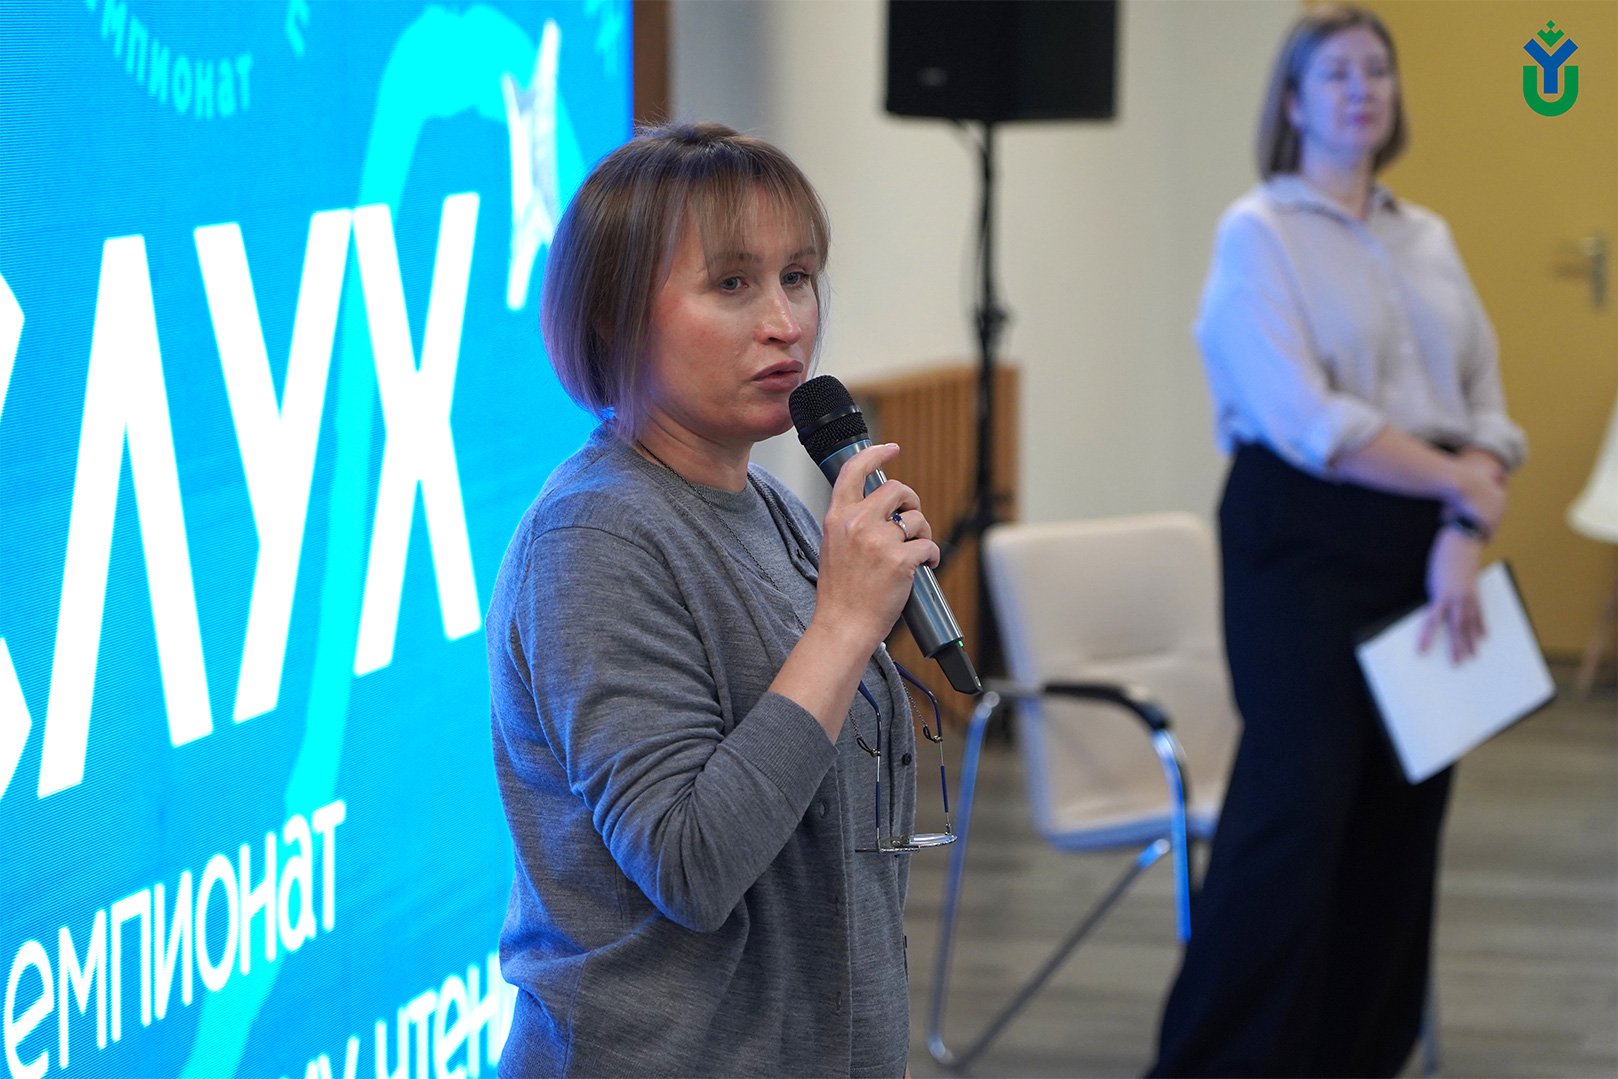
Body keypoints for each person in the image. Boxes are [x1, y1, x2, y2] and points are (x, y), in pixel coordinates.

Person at [486, 121, 935, 1077]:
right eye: (732, 284)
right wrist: (844, 624)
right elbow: (689, 863)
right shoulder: (594, 538)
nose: (785, 321)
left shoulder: (767, 503)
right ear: (613, 318)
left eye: (798, 276)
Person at [1150, 6, 1525, 1076]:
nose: (1363, 89)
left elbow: (1486, 405)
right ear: (1294, 100)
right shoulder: (1257, 231)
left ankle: (1358, 1058)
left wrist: (1462, 524)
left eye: (1378, 71)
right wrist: (1459, 484)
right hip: (1301, 540)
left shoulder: (1428, 235)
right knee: (1292, 821)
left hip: (1429, 544)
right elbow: (1307, 419)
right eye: (1338, 73)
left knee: (1401, 825)